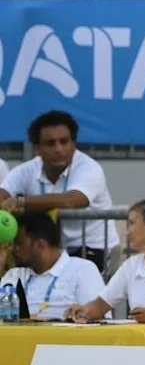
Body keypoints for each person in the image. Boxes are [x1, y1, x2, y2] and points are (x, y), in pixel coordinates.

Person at [0, 109, 119, 269]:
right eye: (50, 143)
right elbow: (3, 195)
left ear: (74, 143)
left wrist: (20, 202)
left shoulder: (89, 168)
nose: (58, 149)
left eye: (64, 141)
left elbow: (73, 200)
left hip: (91, 249)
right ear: (37, 148)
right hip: (48, 251)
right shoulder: (26, 170)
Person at [0, 211, 105, 320]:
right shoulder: (14, 274)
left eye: (19, 244)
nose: (13, 249)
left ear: (40, 245)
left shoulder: (83, 269)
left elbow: (98, 319)